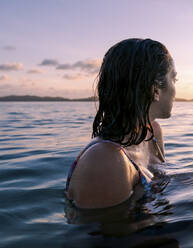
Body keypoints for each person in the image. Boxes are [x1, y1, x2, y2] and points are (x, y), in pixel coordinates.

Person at [65, 38, 177, 209]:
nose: (176, 90)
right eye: (174, 79)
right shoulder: (104, 160)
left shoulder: (152, 131)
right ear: (155, 90)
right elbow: (104, 234)